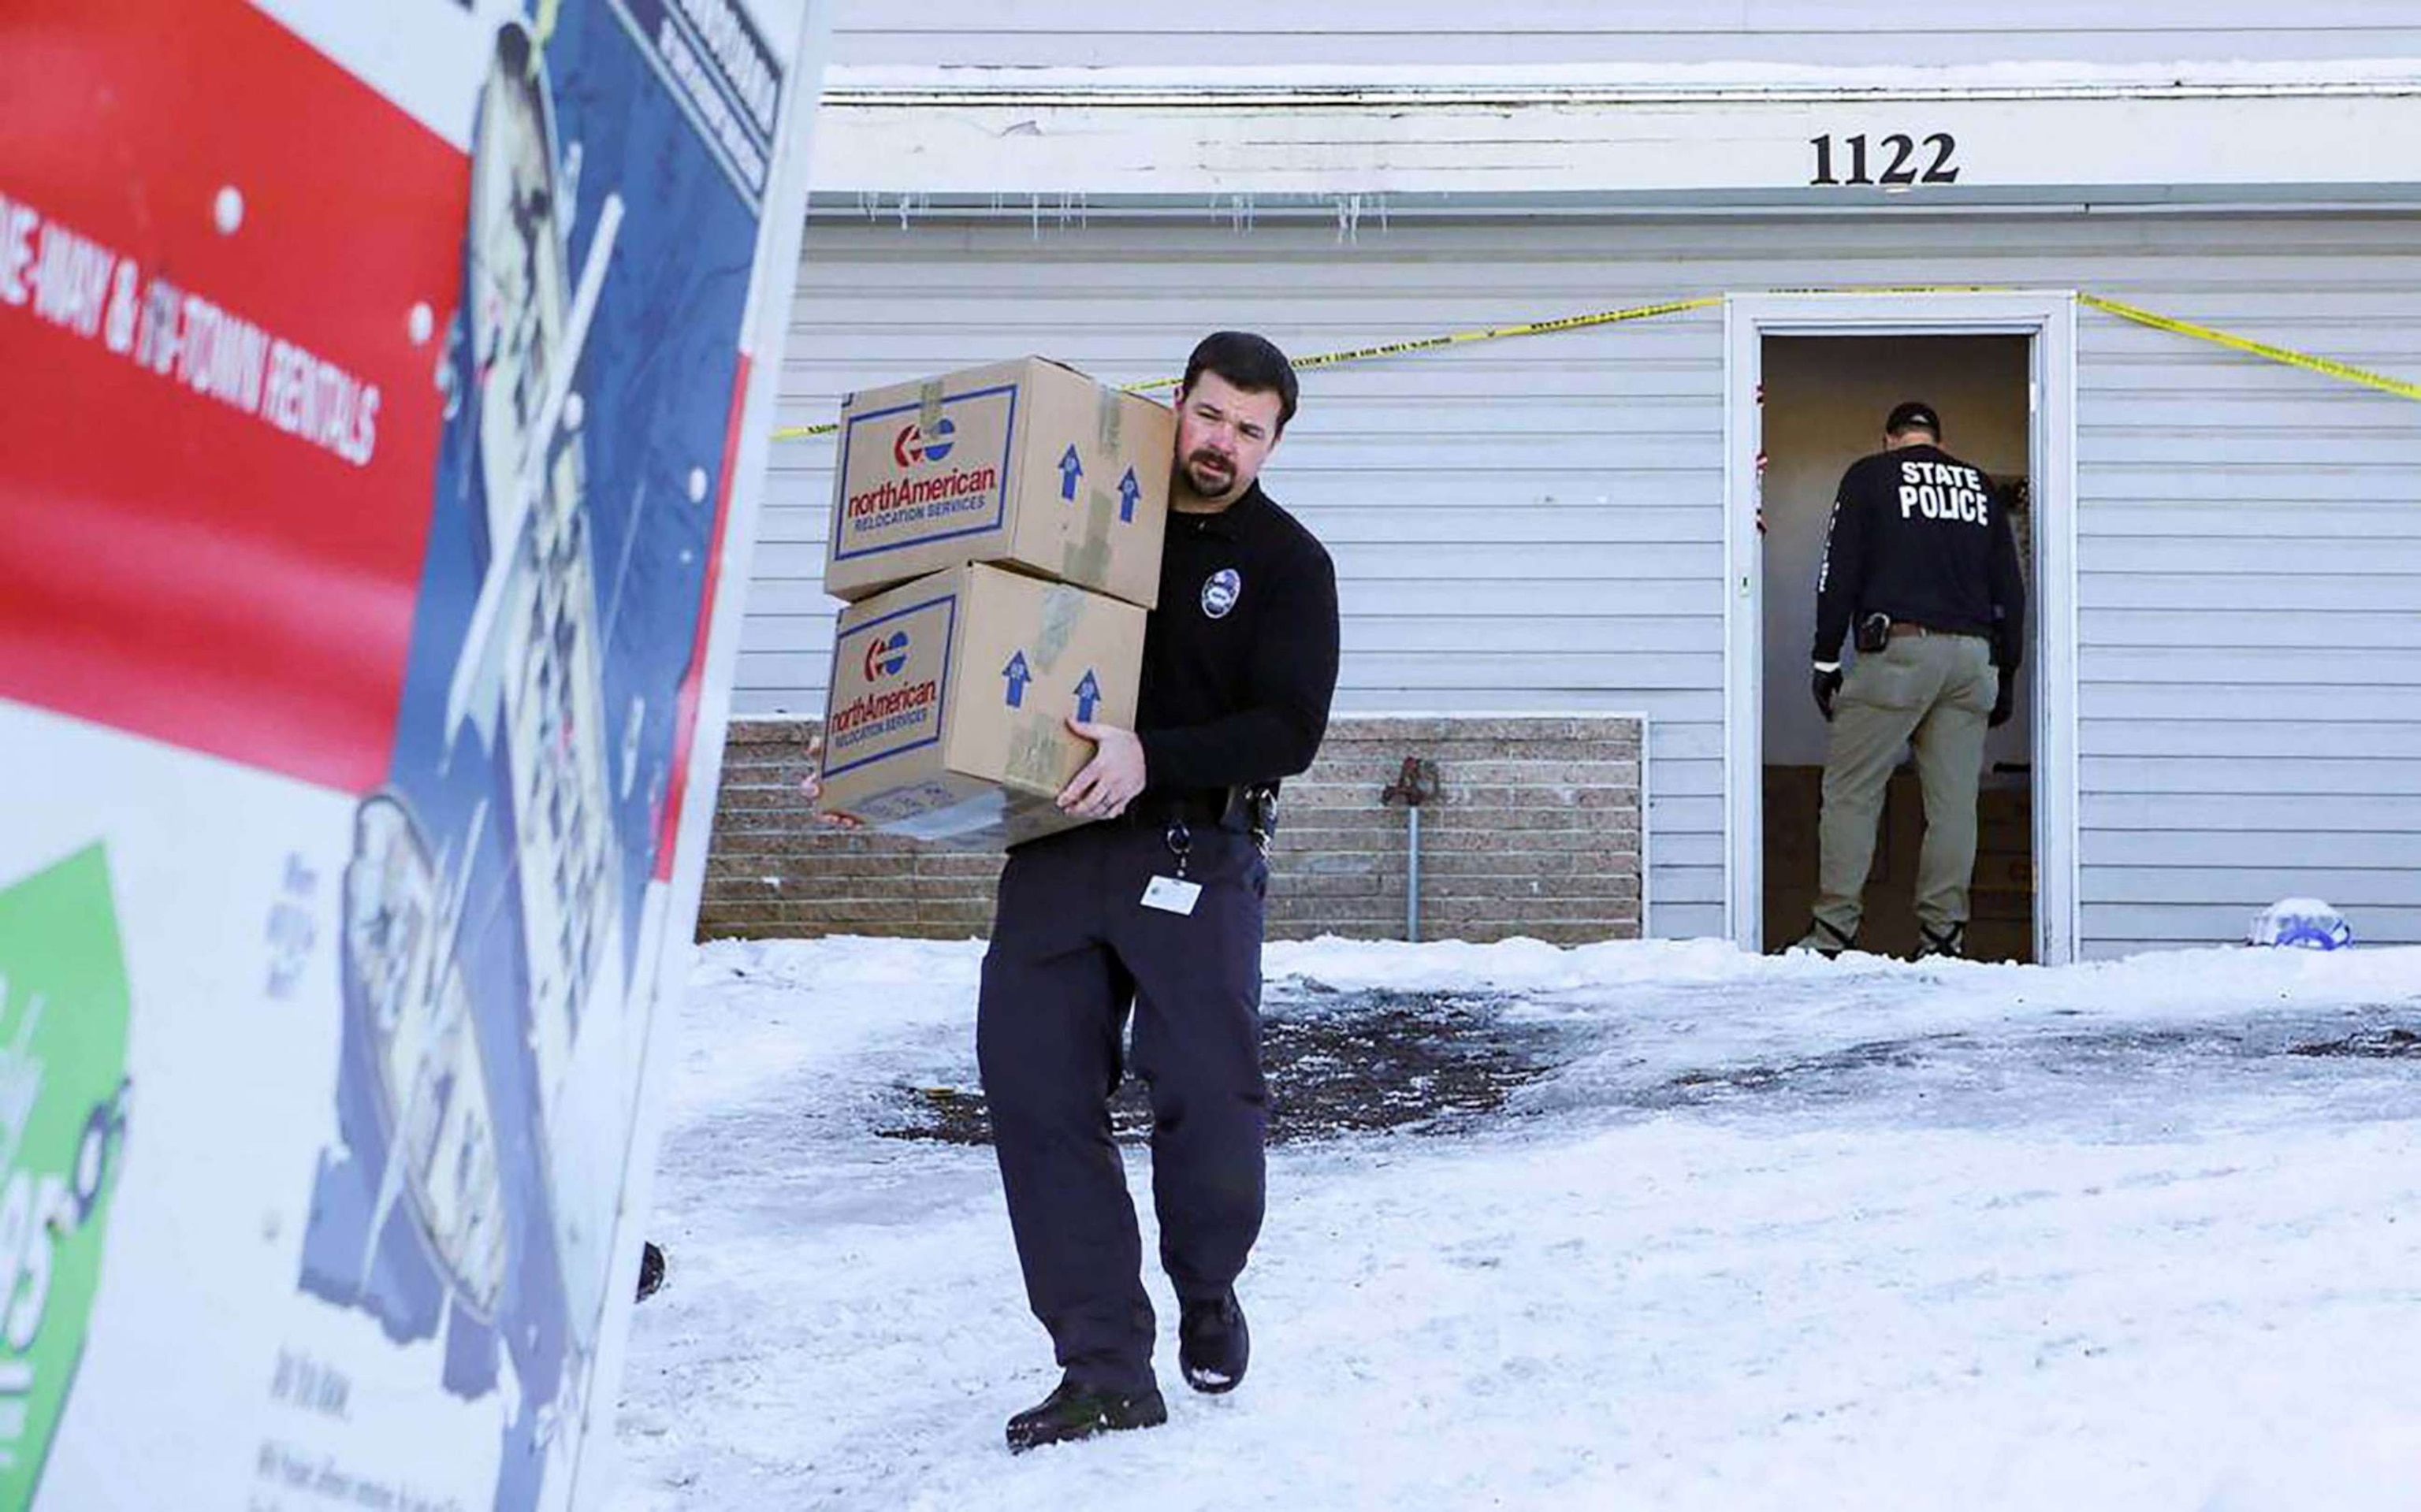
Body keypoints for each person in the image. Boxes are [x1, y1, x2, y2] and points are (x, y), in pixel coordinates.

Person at [802, 332, 1340, 1452]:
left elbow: (1290, 728)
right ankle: (1103, 1364)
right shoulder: (1078, 524)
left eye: (1249, 429)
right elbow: (965, 651)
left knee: (1205, 1091)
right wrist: (875, 761)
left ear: (1274, 441)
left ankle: (1207, 1281)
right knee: (1036, 1092)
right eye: (1208, 415)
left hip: (1195, 849)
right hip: (1055, 847)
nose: (1220, 444)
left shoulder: (1289, 563)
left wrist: (1155, 753)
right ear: (1174, 405)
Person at [1794, 400, 2025, 961]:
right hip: (1973, 661)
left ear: (1889, 439)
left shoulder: (1870, 476)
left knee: (1852, 792)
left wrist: (1826, 657)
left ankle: (1833, 935)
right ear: (1938, 442)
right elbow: (2010, 589)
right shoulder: (1976, 487)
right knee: (1953, 805)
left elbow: (1838, 566)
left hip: (1900, 651)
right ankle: (1944, 938)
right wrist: (2008, 672)